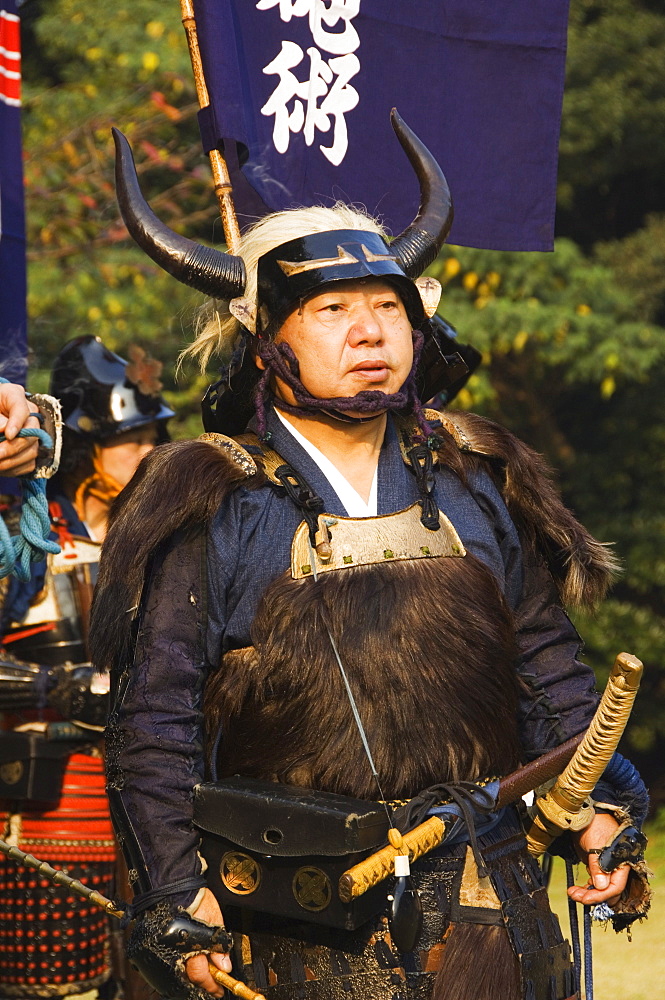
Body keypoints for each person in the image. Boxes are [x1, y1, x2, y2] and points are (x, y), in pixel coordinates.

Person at [90, 113, 649, 1000]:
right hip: (286, 909)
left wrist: (603, 804)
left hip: (489, 901)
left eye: (386, 306)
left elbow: (547, 669)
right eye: (332, 309)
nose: (368, 332)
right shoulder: (209, 495)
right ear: (269, 339)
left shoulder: (474, 477)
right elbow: (154, 719)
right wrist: (174, 887)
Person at [0, 336, 173, 1000]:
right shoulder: (25, 537)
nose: (149, 451)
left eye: (155, 435)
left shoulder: (166, 544)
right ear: (85, 449)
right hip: (48, 818)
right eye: (128, 438)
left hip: (153, 817)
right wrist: (54, 684)